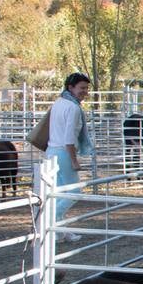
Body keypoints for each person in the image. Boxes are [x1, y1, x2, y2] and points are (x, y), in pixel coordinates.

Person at [45, 72, 93, 238]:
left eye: (86, 88)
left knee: (59, 193)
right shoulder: (73, 108)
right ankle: (50, 220)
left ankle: (59, 233)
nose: (85, 91)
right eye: (82, 88)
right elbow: (69, 138)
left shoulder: (59, 102)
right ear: (70, 87)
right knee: (74, 192)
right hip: (63, 152)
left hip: (51, 151)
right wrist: (74, 160)